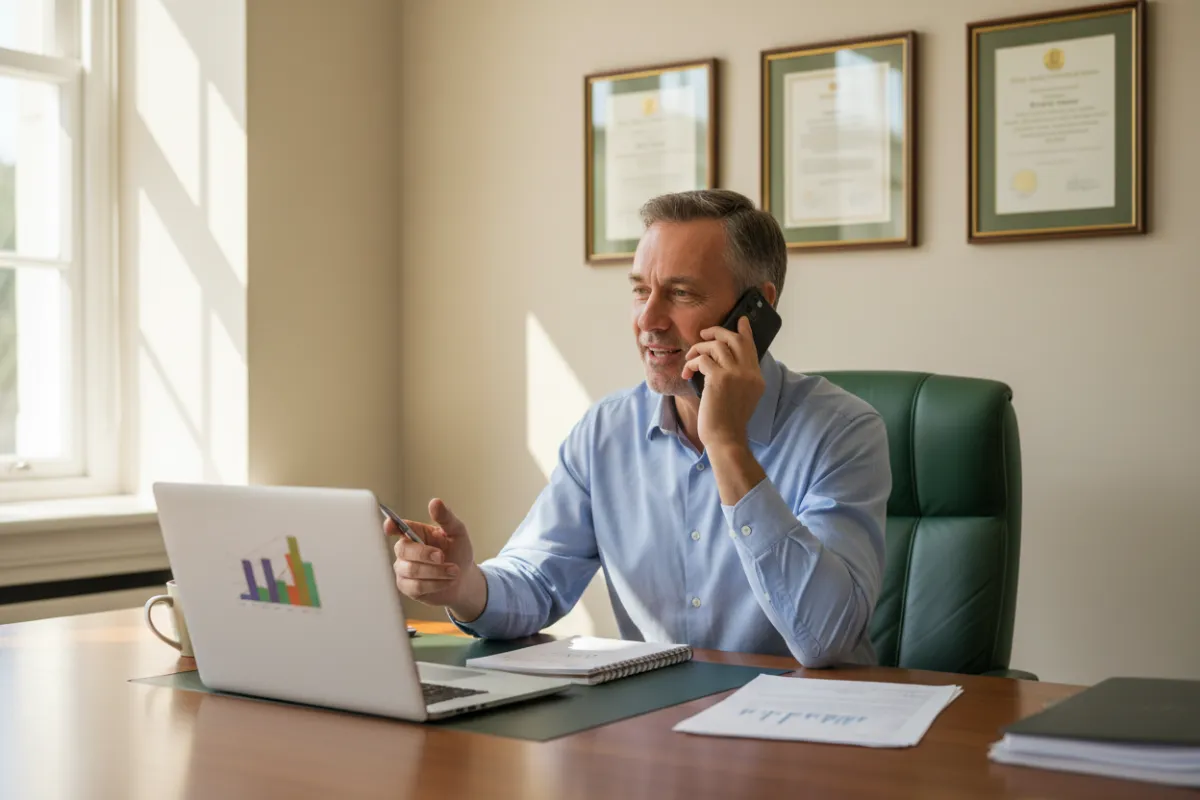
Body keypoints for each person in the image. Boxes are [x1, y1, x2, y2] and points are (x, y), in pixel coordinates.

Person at [388, 189, 891, 667]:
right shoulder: (606, 432)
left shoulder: (843, 432)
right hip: (654, 727)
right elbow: (537, 581)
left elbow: (826, 639)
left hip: (806, 732)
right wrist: (462, 585)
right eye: (640, 291)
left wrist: (727, 444)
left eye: (680, 293)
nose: (648, 319)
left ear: (755, 309)